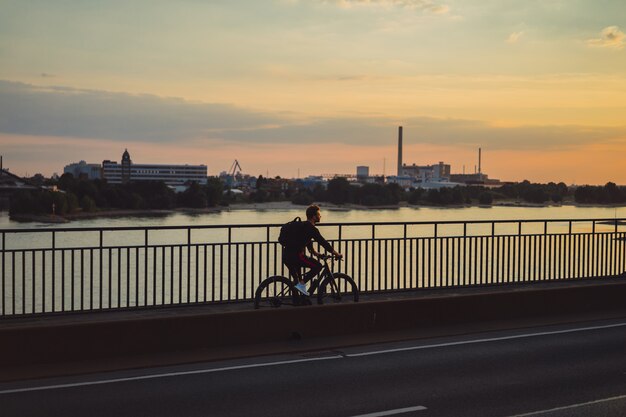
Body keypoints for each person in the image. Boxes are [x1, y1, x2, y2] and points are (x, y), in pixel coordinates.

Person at [282, 204, 342, 297]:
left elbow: (308, 243)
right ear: (314, 217)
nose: (320, 216)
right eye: (318, 214)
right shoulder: (311, 229)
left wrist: (316, 253)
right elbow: (323, 242)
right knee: (317, 266)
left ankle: (297, 300)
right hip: (296, 256)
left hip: (286, 256)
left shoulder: (303, 227)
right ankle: (300, 286)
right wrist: (336, 253)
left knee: (297, 282)